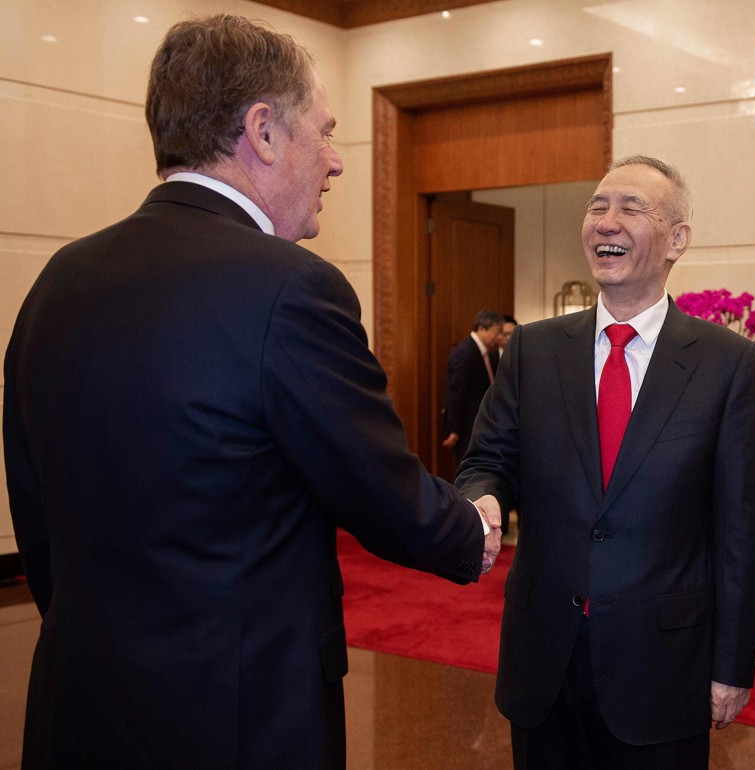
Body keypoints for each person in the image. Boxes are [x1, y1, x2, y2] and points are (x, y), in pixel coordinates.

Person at [2, 15, 500, 770]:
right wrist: (473, 527)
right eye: (326, 132)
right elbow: (378, 489)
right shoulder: (292, 289)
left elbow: (37, 516)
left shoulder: (57, 281)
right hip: (236, 721)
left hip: (78, 707)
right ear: (263, 132)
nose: (336, 162)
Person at [457, 156, 755, 769]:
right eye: (597, 206)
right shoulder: (535, 348)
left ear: (677, 238)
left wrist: (732, 665)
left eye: (631, 208)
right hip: (544, 659)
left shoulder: (726, 364)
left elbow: (740, 531)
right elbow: (487, 458)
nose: (607, 221)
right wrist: (483, 495)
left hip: (663, 667)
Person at [441, 308, 503, 465]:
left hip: (484, 425)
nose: (499, 337)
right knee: (467, 469)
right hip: (467, 426)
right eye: (497, 332)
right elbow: (456, 392)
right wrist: (454, 429)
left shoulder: (491, 353)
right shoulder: (465, 353)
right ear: (482, 329)